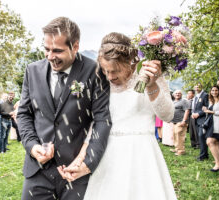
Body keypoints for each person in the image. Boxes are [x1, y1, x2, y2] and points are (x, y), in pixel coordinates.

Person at [60, 32, 176, 199]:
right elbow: (96, 124)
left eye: (115, 71)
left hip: (142, 156)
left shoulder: (149, 74)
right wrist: (80, 159)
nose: (110, 76)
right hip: (107, 157)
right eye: (105, 70)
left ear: (129, 62)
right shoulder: (101, 81)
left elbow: (167, 115)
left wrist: (151, 86)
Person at [17, 17, 111, 200]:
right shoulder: (32, 70)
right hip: (37, 172)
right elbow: (23, 114)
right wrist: (32, 146)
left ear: (75, 46)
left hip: (76, 171)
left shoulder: (95, 72)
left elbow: (102, 120)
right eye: (46, 49)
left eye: (57, 50)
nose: (50, 56)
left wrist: (88, 162)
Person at [203, 85, 219, 172]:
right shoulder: (211, 101)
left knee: (209, 141)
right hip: (211, 124)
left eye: (216, 90)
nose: (214, 92)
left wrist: (211, 111)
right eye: (212, 90)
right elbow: (209, 113)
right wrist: (206, 110)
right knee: (216, 142)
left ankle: (217, 164)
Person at [191, 83, 209, 161]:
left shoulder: (205, 95)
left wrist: (198, 114)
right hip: (195, 119)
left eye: (199, 86)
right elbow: (194, 108)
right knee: (199, 137)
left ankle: (203, 155)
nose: (197, 87)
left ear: (202, 87)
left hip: (202, 119)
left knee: (202, 136)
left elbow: (207, 107)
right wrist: (193, 114)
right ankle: (204, 154)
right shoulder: (195, 96)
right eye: (196, 86)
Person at [170, 90, 189, 156]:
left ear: (181, 95)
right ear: (174, 95)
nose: (177, 94)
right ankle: (177, 148)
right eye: (176, 93)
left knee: (180, 135)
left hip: (181, 121)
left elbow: (187, 111)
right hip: (174, 121)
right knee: (175, 135)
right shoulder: (174, 102)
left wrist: (184, 120)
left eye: (179, 93)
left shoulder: (183, 101)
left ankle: (181, 150)